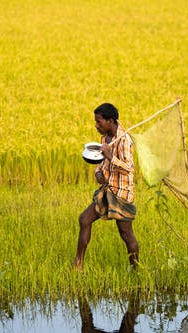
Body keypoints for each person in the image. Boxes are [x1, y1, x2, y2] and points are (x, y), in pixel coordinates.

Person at [73, 103, 139, 271]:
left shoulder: (124, 140)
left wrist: (111, 156)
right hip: (107, 190)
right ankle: (78, 265)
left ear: (110, 121)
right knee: (84, 219)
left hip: (121, 193)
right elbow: (102, 163)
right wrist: (98, 173)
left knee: (126, 234)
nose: (96, 125)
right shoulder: (105, 138)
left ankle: (136, 269)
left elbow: (129, 168)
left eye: (99, 122)